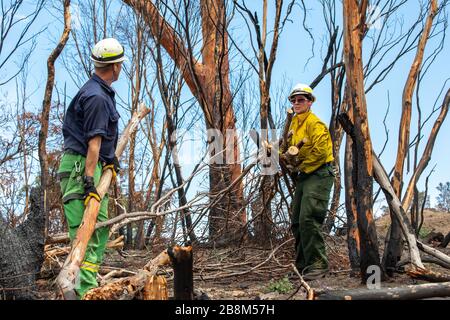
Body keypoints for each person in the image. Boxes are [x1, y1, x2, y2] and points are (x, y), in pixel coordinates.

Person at [57, 38, 125, 298]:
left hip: (93, 166)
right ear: (115, 66)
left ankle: (87, 288)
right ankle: (80, 291)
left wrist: (110, 159)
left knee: (99, 228)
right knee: (84, 231)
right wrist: (88, 181)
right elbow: (93, 144)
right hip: (81, 167)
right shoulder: (96, 97)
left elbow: (101, 145)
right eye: (120, 64)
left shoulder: (100, 92)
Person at [285, 83, 335, 281]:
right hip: (304, 176)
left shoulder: (315, 124)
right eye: (294, 100)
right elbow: (291, 149)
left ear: (310, 102)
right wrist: (280, 156)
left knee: (309, 219)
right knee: (297, 221)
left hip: (319, 173)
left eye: (301, 100)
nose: (297, 103)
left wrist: (300, 166)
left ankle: (318, 265)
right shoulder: (294, 123)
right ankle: (302, 266)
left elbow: (320, 153)